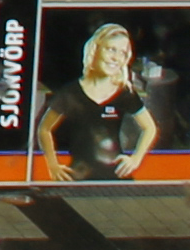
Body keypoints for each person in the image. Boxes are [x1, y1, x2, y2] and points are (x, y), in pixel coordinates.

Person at [43, 21, 162, 179]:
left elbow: (150, 128)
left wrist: (135, 160)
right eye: (111, 49)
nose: (116, 58)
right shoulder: (71, 93)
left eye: (122, 53)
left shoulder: (124, 93)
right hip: (78, 176)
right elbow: (44, 129)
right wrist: (52, 165)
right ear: (96, 49)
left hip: (116, 177)